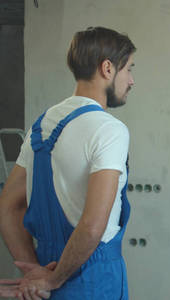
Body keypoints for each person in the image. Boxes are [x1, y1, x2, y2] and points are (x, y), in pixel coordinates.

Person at [0, 26, 136, 299]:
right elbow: (93, 225)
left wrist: (36, 273)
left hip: (45, 270)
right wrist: (53, 280)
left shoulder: (42, 124)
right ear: (107, 68)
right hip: (93, 276)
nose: (131, 80)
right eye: (129, 69)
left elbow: (8, 206)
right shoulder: (109, 129)